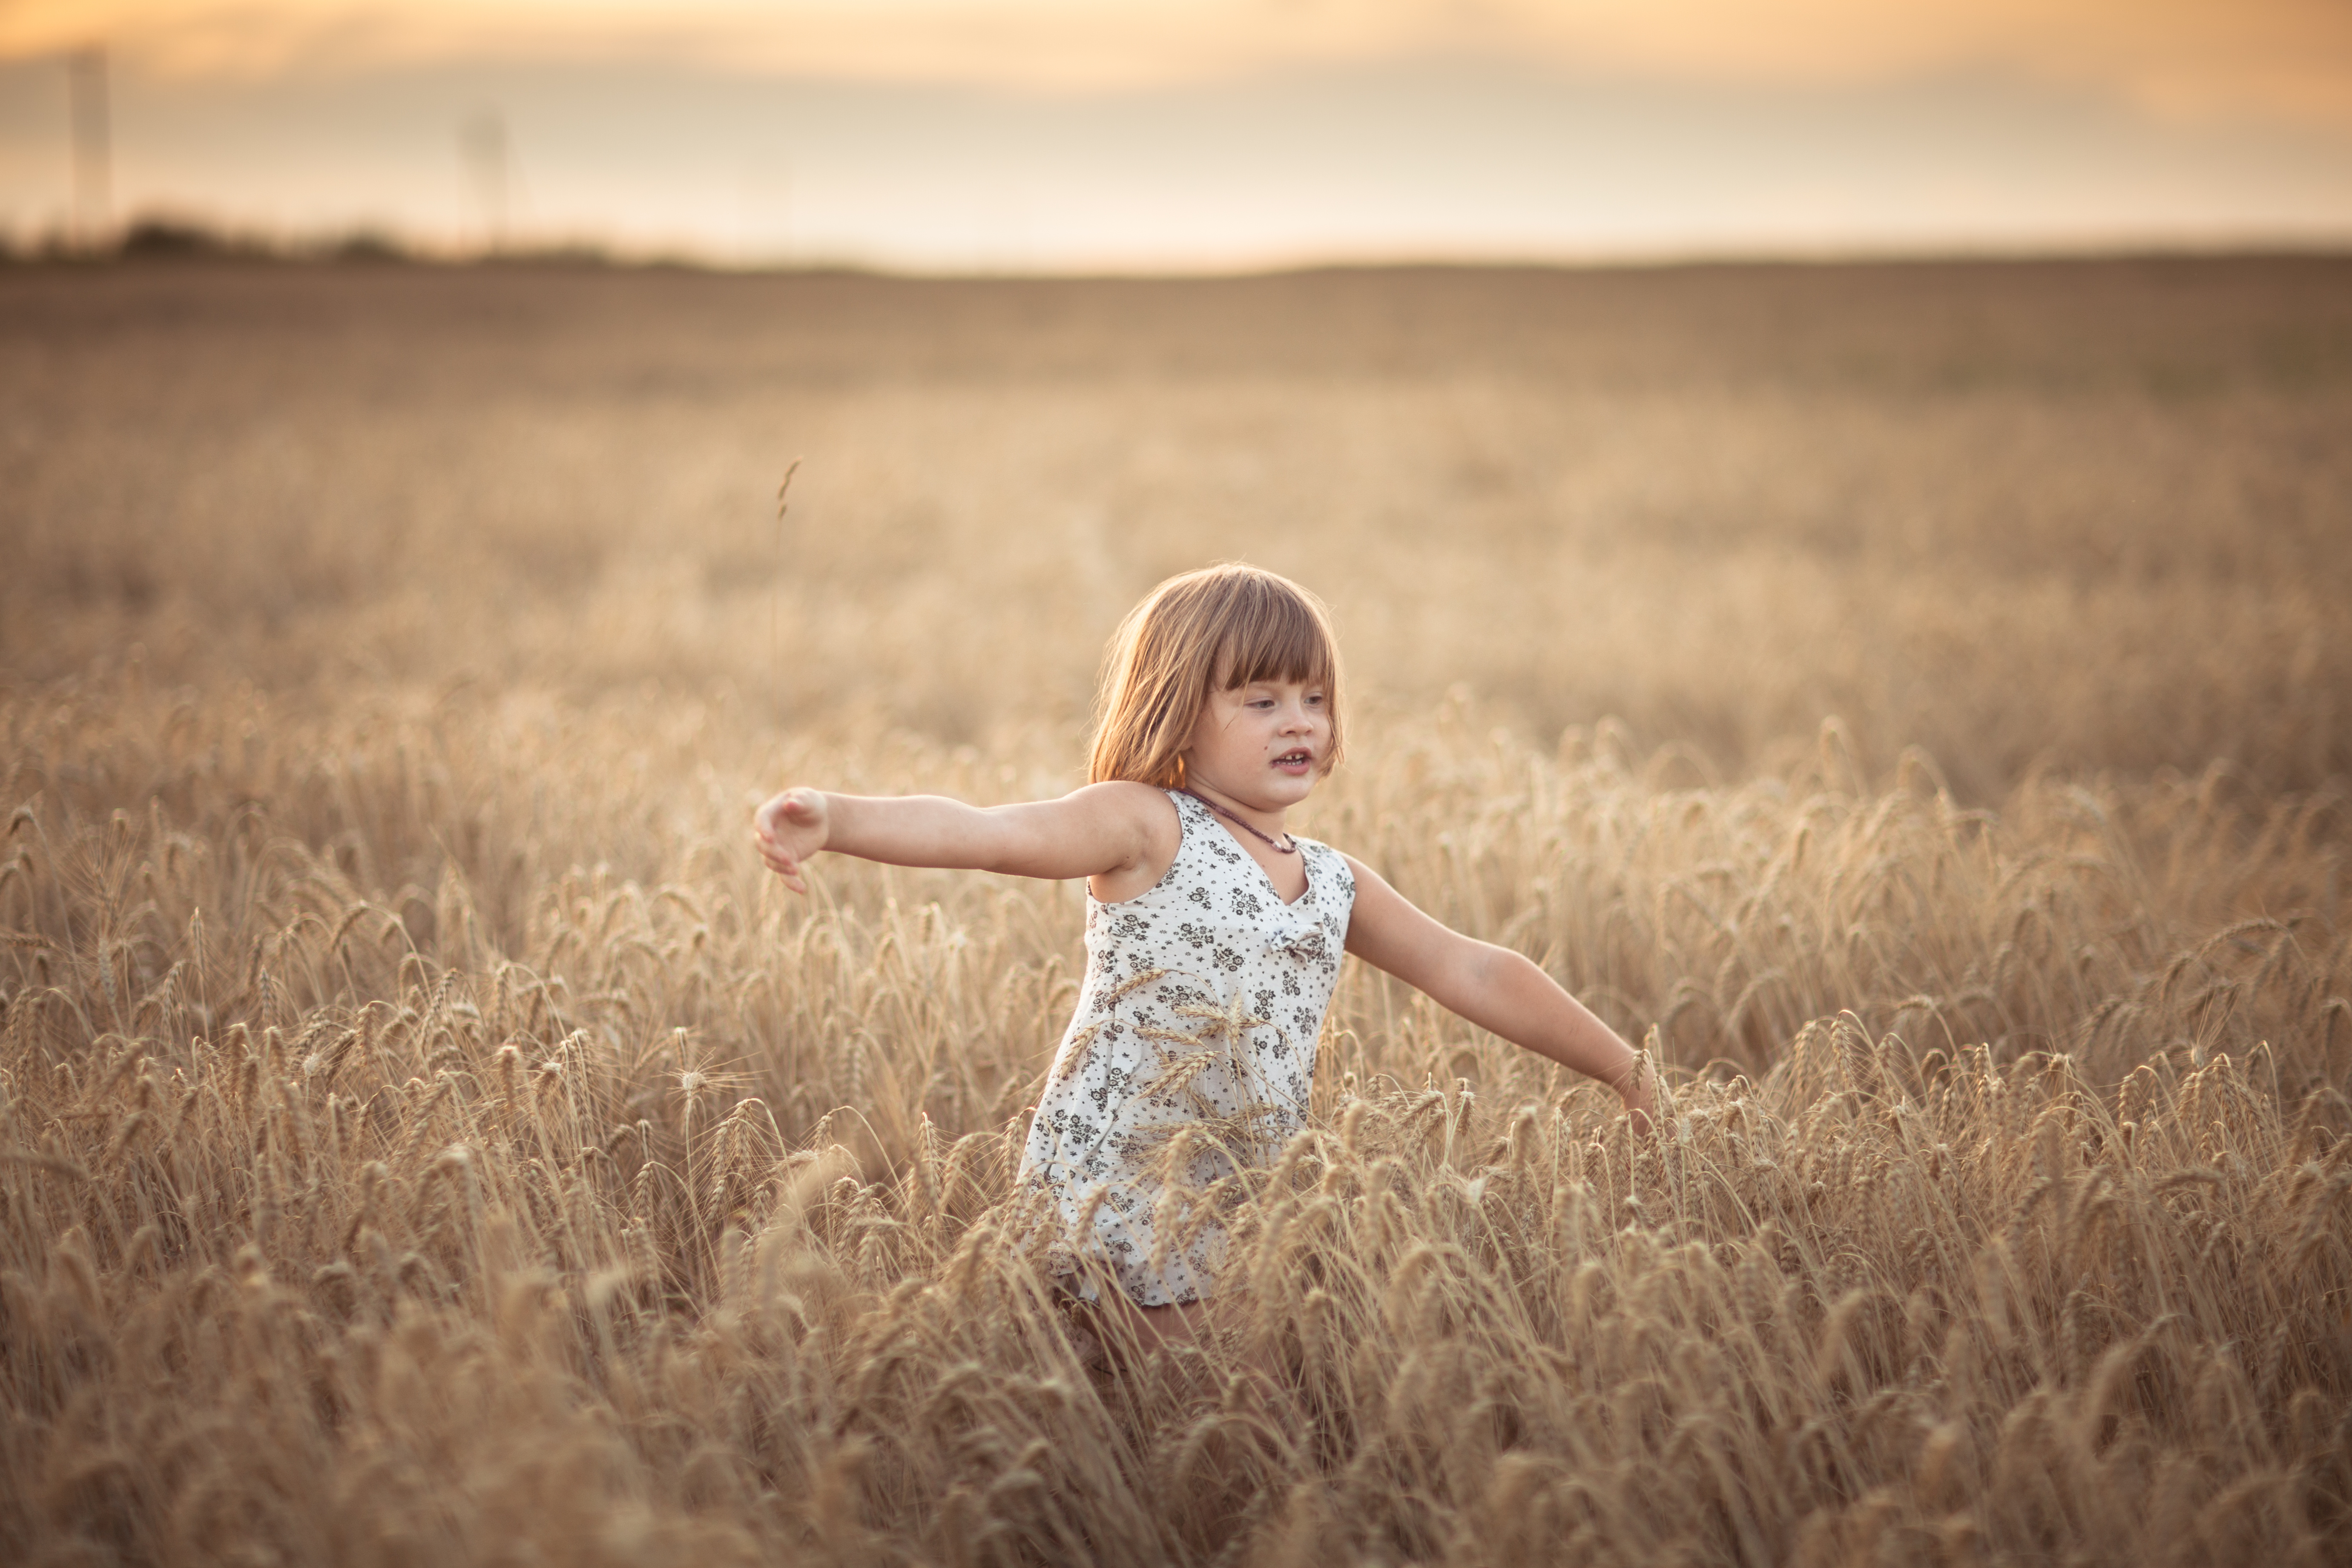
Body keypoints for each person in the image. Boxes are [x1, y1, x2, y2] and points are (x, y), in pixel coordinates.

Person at [752, 563, 1654, 1365]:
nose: (1296, 720)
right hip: (1117, 1180)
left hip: (1233, 1190)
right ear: (1177, 709)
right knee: (1207, 1405)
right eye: (1259, 701)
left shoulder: (1334, 880)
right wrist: (837, 817)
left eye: (1313, 697)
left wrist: (1624, 1068)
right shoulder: (1148, 824)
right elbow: (993, 833)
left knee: (1202, 1412)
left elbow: (1473, 970)